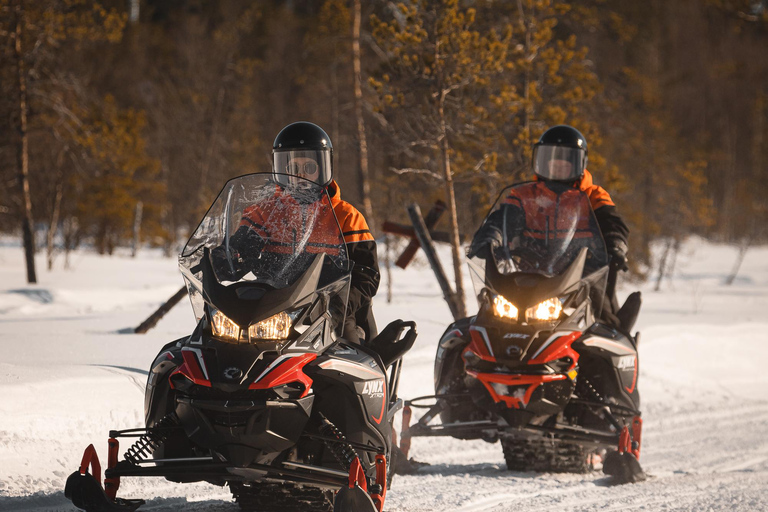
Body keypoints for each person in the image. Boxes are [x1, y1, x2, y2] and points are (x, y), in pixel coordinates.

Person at [231, 121, 379, 344]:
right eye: (292, 168)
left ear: (323, 168)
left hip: (329, 310)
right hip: (273, 308)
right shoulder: (265, 211)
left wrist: (340, 305)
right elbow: (240, 245)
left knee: (352, 359)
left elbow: (366, 275)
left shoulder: (346, 216)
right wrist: (231, 255)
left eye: (309, 168)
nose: (299, 176)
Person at [468, 125, 630, 326]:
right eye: (552, 163)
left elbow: (612, 224)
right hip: (529, 269)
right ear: (541, 162)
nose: (557, 169)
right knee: (493, 310)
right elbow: (503, 219)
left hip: (579, 273)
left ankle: (609, 344)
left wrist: (616, 244)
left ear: (579, 164)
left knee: (598, 310)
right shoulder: (525, 195)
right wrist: (491, 236)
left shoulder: (593, 195)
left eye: (564, 165)